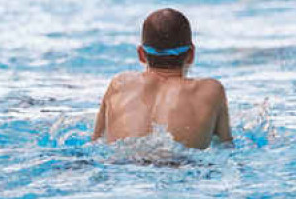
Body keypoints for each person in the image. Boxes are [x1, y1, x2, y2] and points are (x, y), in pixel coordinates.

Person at [91, 8, 232, 150]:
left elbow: (96, 142)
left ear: (141, 54)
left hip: (121, 163)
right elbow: (225, 146)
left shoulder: (119, 84)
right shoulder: (211, 90)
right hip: (181, 164)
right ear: (191, 55)